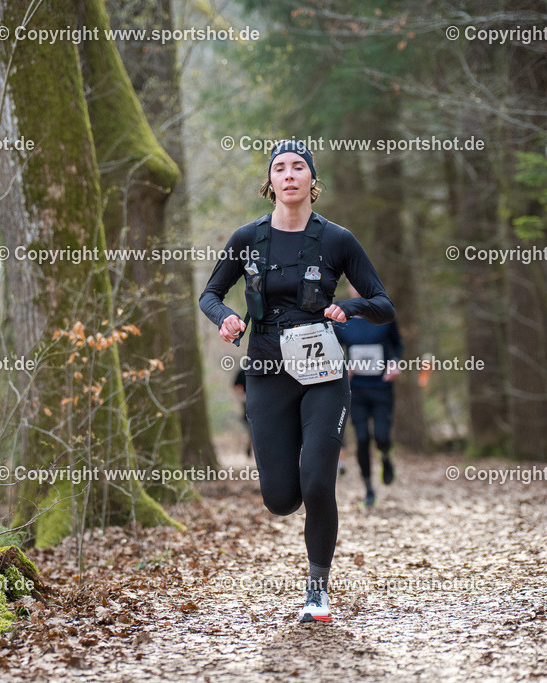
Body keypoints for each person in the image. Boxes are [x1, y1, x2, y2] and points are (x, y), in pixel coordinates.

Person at [199, 140, 394, 623]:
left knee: (317, 479)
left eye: (298, 167)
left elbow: (382, 304)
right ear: (271, 183)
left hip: (325, 374)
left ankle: (317, 592)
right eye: (280, 168)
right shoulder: (247, 238)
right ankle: (301, 506)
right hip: (266, 371)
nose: (289, 175)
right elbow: (209, 293)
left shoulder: (337, 240)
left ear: (312, 180)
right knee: (281, 498)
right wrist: (225, 317)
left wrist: (345, 308)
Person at [334, 286, 403, 507]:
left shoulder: (384, 314)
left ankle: (385, 456)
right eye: (354, 286)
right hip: (356, 389)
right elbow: (333, 349)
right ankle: (369, 489)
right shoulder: (342, 319)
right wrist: (342, 365)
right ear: (349, 289)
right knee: (362, 438)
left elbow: (398, 345)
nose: (358, 289)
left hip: (381, 387)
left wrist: (395, 363)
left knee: (381, 436)